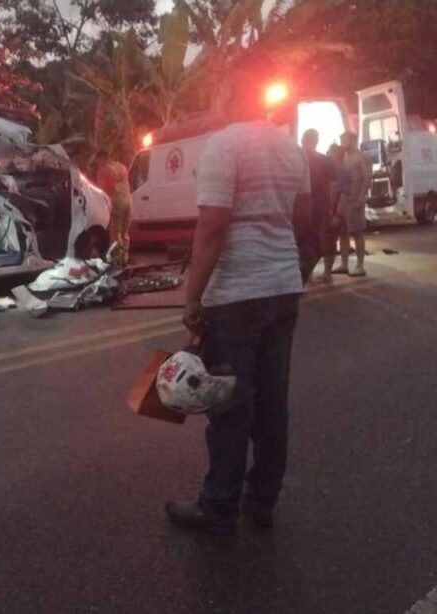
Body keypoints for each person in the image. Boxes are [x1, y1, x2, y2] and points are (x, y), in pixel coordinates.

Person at [165, 73, 312, 535]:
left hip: (237, 292)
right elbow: (302, 217)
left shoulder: (223, 147)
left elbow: (212, 225)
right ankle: (262, 500)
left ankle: (219, 505)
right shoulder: (291, 149)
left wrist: (193, 297)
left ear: (228, 94)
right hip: (283, 285)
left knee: (228, 402)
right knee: (273, 400)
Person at [299, 129, 339, 284]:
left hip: (302, 205)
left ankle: (304, 275)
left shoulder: (298, 157)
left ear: (303, 139)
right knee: (321, 240)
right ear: (316, 141)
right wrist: (332, 207)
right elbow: (333, 186)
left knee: (301, 239)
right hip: (321, 206)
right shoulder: (326, 160)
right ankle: (320, 272)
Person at [331, 132, 371, 277]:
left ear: (353, 140)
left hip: (355, 200)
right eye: (341, 140)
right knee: (343, 233)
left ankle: (360, 266)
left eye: (344, 140)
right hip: (344, 200)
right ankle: (344, 264)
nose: (342, 142)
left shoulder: (360, 158)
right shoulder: (344, 157)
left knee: (357, 233)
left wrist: (361, 197)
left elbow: (367, 179)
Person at [93, 150, 132, 267]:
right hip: (128, 201)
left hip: (116, 202)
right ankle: (125, 258)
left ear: (102, 158)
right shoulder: (122, 167)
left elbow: (101, 191)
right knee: (125, 233)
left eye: (98, 161)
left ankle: (116, 262)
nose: (97, 164)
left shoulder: (104, 170)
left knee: (116, 234)